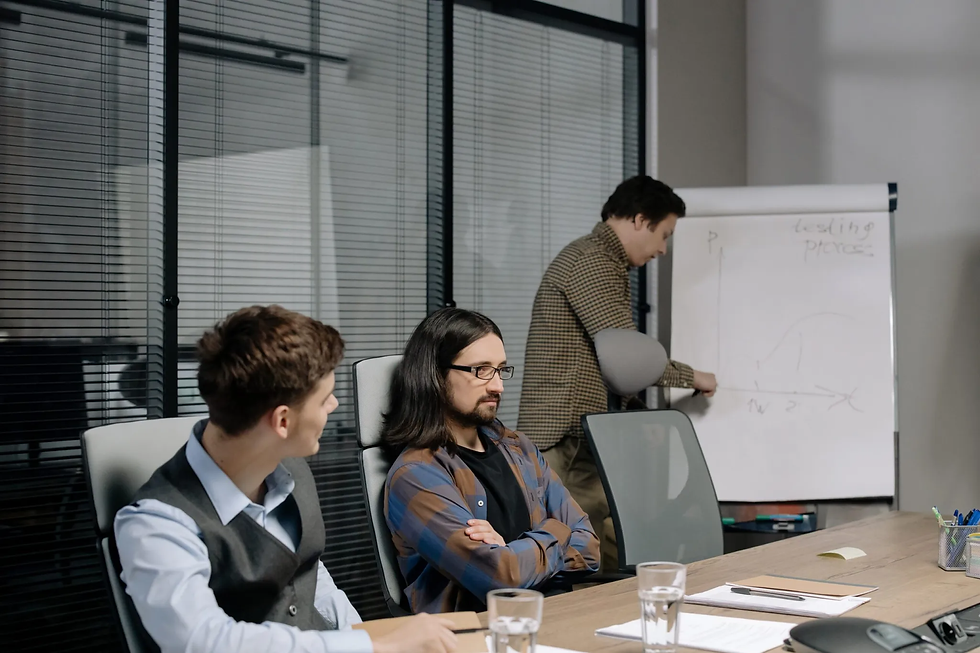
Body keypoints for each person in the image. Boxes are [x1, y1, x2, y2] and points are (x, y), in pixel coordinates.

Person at [114, 305, 457, 653]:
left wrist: (372, 638)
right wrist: (372, 645)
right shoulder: (155, 523)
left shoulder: (288, 470)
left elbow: (311, 577)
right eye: (324, 399)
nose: (335, 405)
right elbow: (204, 641)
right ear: (282, 421)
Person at [518, 176, 718, 571]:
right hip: (566, 440)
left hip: (580, 437)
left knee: (607, 550)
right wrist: (694, 377)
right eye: (664, 234)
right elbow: (627, 356)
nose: (663, 249)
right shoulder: (591, 262)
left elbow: (609, 362)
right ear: (640, 220)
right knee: (579, 556)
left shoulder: (600, 260)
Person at [382, 308, 600, 614]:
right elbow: (498, 577)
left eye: (500, 369)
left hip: (554, 617)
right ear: (435, 374)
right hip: (478, 634)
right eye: (481, 370)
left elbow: (590, 549)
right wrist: (558, 531)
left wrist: (513, 549)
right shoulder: (416, 475)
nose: (498, 386)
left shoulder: (519, 448)